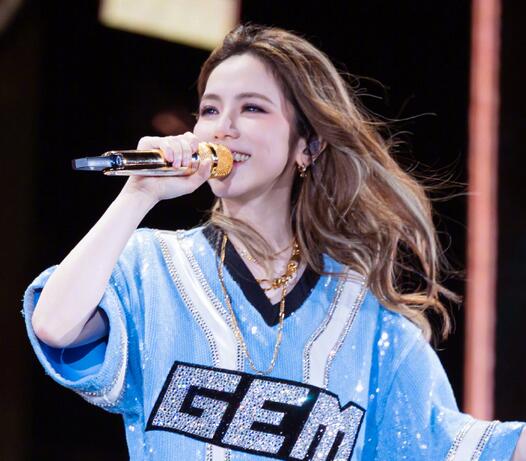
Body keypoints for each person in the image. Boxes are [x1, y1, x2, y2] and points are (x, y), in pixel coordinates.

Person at [23, 24, 525, 461]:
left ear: (308, 145)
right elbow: (54, 325)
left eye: (252, 108)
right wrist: (139, 194)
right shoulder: (151, 266)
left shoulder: (366, 317)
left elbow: (456, 445)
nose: (223, 128)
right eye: (210, 110)